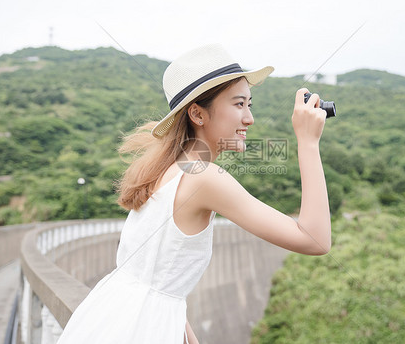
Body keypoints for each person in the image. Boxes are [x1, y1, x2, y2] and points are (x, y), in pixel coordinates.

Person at [56, 44, 331, 344]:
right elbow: (315, 239)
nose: (249, 118)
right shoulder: (203, 178)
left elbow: (159, 279)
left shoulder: (164, 170)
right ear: (198, 114)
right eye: (239, 104)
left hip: (110, 318)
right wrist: (307, 141)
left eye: (249, 104)